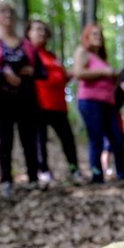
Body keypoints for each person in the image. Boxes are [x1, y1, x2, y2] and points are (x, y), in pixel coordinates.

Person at [0, 0, 43, 198]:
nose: (8, 16)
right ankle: (6, 180)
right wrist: (1, 73)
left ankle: (33, 178)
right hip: (0, 97)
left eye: (11, 12)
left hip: (26, 97)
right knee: (6, 138)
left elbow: (42, 71)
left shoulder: (27, 45)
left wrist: (32, 71)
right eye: (3, 12)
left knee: (29, 138)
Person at [25, 19, 82, 186]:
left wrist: (67, 76)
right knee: (40, 140)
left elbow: (59, 78)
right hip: (38, 104)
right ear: (28, 33)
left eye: (43, 30)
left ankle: (74, 169)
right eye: (37, 30)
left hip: (59, 105)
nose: (41, 33)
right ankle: (43, 171)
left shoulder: (52, 56)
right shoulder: (28, 53)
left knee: (67, 139)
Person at [72, 23, 124, 184]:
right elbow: (78, 73)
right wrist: (104, 72)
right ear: (87, 37)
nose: (98, 37)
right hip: (90, 101)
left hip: (108, 103)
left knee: (117, 138)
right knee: (97, 139)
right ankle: (97, 175)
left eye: (100, 34)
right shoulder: (82, 52)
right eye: (94, 34)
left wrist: (114, 77)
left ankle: (123, 173)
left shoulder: (103, 59)